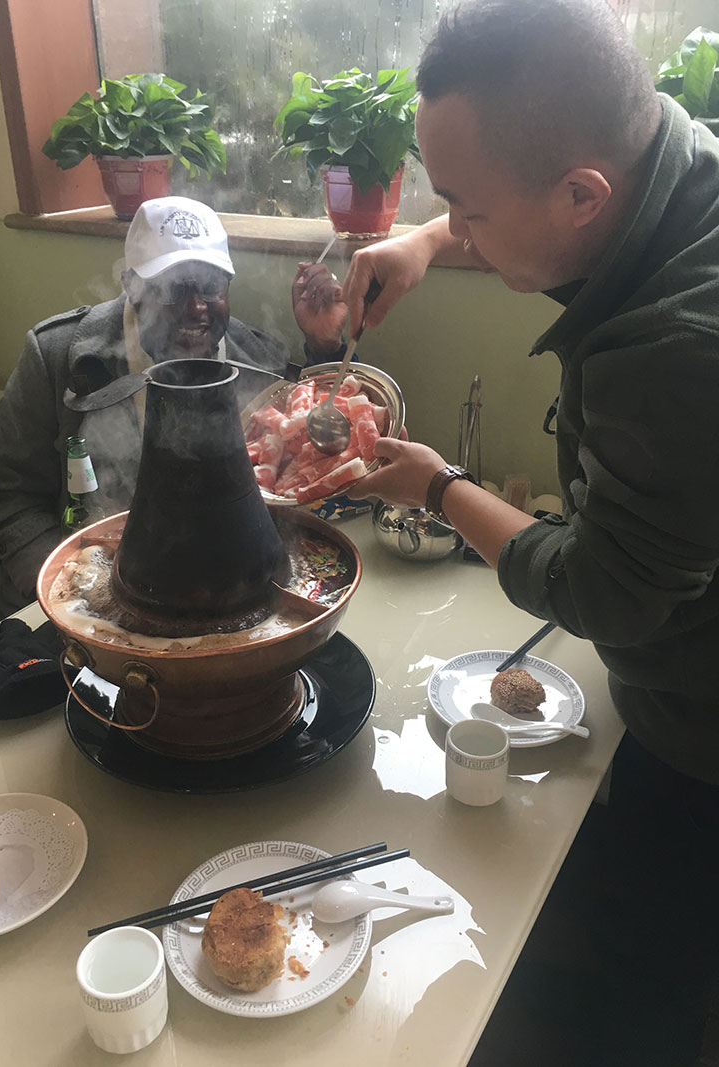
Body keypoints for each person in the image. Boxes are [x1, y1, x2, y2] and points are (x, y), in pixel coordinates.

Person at [341, 1, 719, 1063]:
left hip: (703, 730)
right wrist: (426, 237)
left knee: (652, 974)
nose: (453, 226)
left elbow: (606, 593)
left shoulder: (679, 348)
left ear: (580, 195)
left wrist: (438, 484)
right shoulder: (669, 158)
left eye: (465, 208)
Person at [0, 196, 347, 615]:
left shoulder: (258, 360)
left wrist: (324, 347)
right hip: (88, 594)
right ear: (132, 286)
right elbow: (8, 495)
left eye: (210, 286)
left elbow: (313, 455)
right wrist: (68, 594)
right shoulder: (59, 357)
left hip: (220, 594)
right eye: (173, 288)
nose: (195, 308)